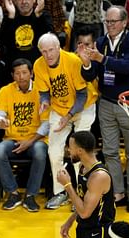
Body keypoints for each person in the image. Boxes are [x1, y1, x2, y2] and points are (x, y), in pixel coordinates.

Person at [78, 5, 129, 213]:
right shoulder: (101, 42)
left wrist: (102, 59)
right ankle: (119, 193)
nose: (109, 25)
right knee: (110, 152)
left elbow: (127, 67)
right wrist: (87, 63)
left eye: (113, 21)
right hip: (106, 102)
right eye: (107, 21)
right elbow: (90, 76)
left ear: (124, 23)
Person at [34, 32, 94, 210]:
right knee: (54, 151)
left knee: (80, 151)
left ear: (59, 48)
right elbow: (44, 91)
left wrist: (68, 117)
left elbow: (82, 95)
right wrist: (44, 101)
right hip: (59, 107)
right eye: (44, 51)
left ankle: (82, 194)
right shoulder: (39, 65)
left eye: (51, 50)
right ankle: (62, 192)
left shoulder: (73, 61)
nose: (48, 55)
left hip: (83, 106)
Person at [0, 58, 49, 212]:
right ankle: (13, 193)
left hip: (36, 139)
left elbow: (47, 124)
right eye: (17, 73)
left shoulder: (42, 90)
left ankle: (30, 196)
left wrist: (29, 142)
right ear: (12, 75)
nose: (21, 76)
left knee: (40, 152)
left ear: (31, 74)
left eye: (24, 72)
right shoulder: (5, 91)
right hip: (12, 139)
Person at [0, 0, 52, 81]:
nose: (23, 2)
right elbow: (2, 42)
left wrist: (38, 14)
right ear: (14, 1)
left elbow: (49, 39)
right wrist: (11, 16)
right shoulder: (10, 17)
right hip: (14, 72)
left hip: (38, 70)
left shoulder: (42, 16)